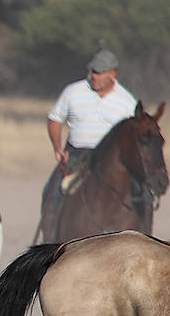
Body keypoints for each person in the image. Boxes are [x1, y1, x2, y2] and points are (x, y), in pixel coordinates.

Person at [38, 48, 138, 239]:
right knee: (51, 191)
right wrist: (58, 148)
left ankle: (142, 236)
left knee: (142, 195)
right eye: (92, 71)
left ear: (112, 74)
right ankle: (49, 241)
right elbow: (55, 119)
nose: (94, 76)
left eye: (99, 72)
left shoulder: (126, 101)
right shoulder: (73, 91)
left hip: (111, 160)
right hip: (76, 156)